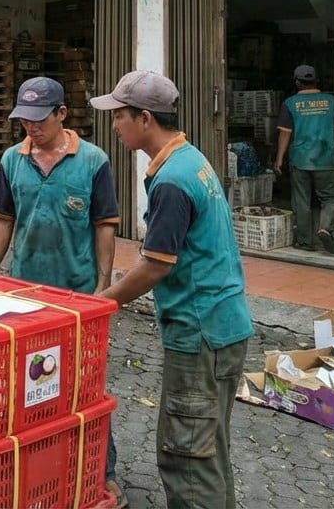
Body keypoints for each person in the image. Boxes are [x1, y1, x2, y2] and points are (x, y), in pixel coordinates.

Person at [92, 70, 253, 509]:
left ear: (145, 118)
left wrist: (101, 302)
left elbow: (156, 267)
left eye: (120, 115)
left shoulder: (172, 180)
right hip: (221, 327)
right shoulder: (189, 159)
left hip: (200, 331)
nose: (114, 125)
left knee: (186, 455)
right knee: (206, 446)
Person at [0, 77, 125, 507]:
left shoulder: (93, 161)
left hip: (76, 295)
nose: (31, 127)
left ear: (62, 114)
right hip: (23, 296)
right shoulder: (12, 159)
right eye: (24, 119)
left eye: (39, 119)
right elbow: (3, 218)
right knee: (29, 383)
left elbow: (105, 225)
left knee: (86, 384)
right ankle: (36, 468)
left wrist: (103, 286)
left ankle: (103, 470)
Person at [273, 64, 334, 254]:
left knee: (302, 201)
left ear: (297, 83)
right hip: (325, 158)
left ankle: (305, 241)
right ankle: (325, 228)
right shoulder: (331, 101)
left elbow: (285, 134)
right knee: (330, 198)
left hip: (300, 159)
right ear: (316, 80)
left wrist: (279, 158)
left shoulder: (290, 104)